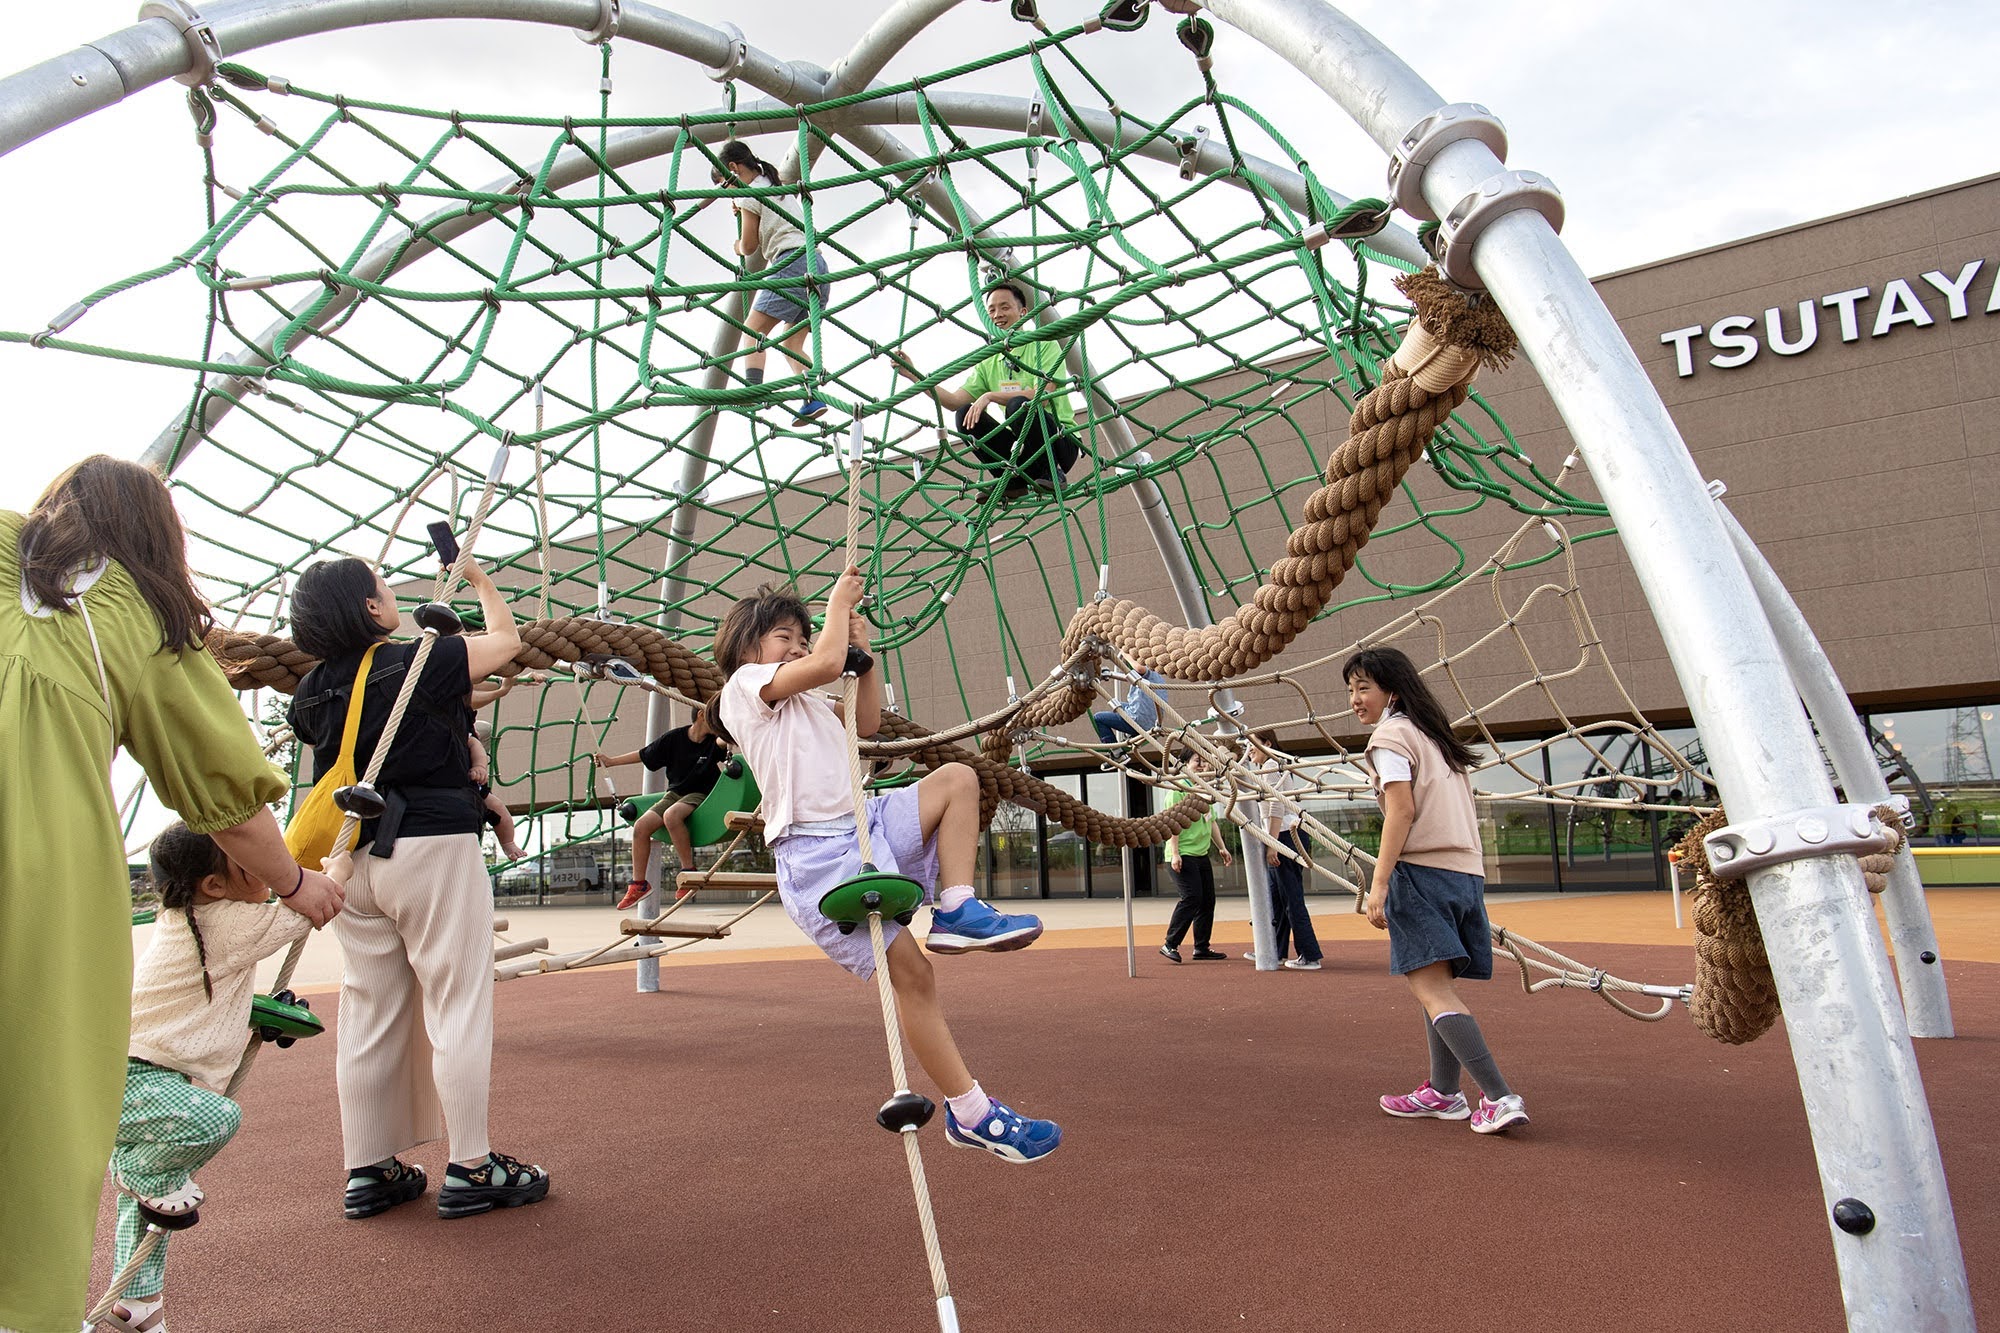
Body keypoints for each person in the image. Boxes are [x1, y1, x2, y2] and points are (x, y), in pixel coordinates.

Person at [0, 456, 342, 1333]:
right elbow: (226, 792)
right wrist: (300, 884)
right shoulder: (131, 607)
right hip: (37, 876)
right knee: (35, 1120)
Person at [714, 574, 1060, 1162]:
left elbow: (868, 722)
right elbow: (824, 664)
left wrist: (865, 655)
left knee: (957, 780)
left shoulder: (813, 703)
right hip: (817, 856)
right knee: (914, 977)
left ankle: (956, 907)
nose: (796, 648)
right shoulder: (746, 689)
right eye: (783, 638)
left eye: (801, 639)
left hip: (865, 824)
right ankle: (972, 1112)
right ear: (747, 649)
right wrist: (835, 612)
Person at [287, 554, 551, 1221]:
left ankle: (369, 1168)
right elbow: (507, 642)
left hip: (352, 855)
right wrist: (480, 581)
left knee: (369, 1009)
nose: (391, 592)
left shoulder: (311, 691)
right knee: (458, 997)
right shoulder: (418, 659)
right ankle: (471, 1164)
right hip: (431, 845)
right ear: (373, 609)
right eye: (382, 586)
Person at [105, 822, 324, 1332]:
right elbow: (314, 905)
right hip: (139, 1078)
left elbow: (204, 1004)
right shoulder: (221, 920)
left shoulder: (196, 918)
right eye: (254, 860)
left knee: (149, 1211)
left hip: (143, 1078)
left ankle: (136, 1305)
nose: (271, 866)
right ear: (215, 885)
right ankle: (141, 1176)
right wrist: (335, 868)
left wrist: (257, 1013)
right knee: (213, 1122)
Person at [1344, 646, 1528, 1134]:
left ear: (1392, 691)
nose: (1354, 699)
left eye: (1364, 688)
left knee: (1433, 992)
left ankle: (1499, 1096)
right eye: (1351, 689)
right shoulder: (1437, 738)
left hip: (1422, 874)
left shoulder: (1391, 737)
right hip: (1464, 876)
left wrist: (1379, 884)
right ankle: (1444, 1093)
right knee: (1436, 989)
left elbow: (1401, 811)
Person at [891, 282, 1082, 499]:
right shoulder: (990, 360)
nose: (998, 314)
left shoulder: (1043, 344)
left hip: (1059, 444)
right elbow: (953, 401)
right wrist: (914, 375)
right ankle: (1010, 480)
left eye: (1005, 307)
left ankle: (1052, 471)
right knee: (964, 414)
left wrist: (990, 396)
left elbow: (1044, 395)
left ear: (1023, 312)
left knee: (1018, 405)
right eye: (991, 309)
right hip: (1021, 451)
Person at [714, 140, 830, 425]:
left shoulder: (748, 195)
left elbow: (750, 246)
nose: (727, 195)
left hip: (791, 263)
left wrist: (736, 245)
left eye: (724, 187)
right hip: (818, 265)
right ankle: (812, 396)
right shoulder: (776, 181)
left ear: (733, 169)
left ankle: (753, 391)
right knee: (791, 342)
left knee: (751, 329)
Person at [594, 698, 729, 908]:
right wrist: (611, 761)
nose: (719, 724)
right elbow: (644, 754)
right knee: (641, 826)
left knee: (671, 816)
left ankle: (688, 871)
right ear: (702, 715)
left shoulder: (715, 741)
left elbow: (726, 741)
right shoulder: (675, 739)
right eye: (716, 719)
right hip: (675, 794)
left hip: (703, 795)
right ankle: (639, 884)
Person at [1251, 730, 1322, 971]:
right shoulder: (1270, 767)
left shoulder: (1272, 766)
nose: (1249, 750)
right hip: (1283, 834)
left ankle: (1309, 954)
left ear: (1268, 744)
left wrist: (1273, 845)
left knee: (1291, 897)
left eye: (1253, 745)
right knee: (1276, 899)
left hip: (1283, 835)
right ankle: (1274, 949)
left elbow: (1276, 806)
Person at [1158, 755, 1233, 963]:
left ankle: (1201, 947)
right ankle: (1169, 944)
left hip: (1200, 854)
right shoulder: (1180, 789)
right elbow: (1173, 823)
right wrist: (1175, 854)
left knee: (1207, 900)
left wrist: (1222, 847)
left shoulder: (1205, 790)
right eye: (1196, 761)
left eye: (1204, 762)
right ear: (1185, 764)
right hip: (1183, 854)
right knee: (1192, 897)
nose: (1201, 766)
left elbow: (1212, 822)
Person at [469, 721, 526, 863]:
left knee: (496, 806)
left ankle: (508, 842)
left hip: (470, 785)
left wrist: (479, 767)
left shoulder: (464, 734)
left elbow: (475, 744)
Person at [1092, 667, 1166, 754]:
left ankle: (1116, 753)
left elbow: (1140, 669)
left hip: (1139, 720)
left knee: (1098, 718)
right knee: (1120, 706)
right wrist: (1109, 673)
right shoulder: (1158, 677)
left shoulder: (1144, 671)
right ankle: (1133, 735)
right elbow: (1128, 674)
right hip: (1152, 722)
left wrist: (1125, 653)